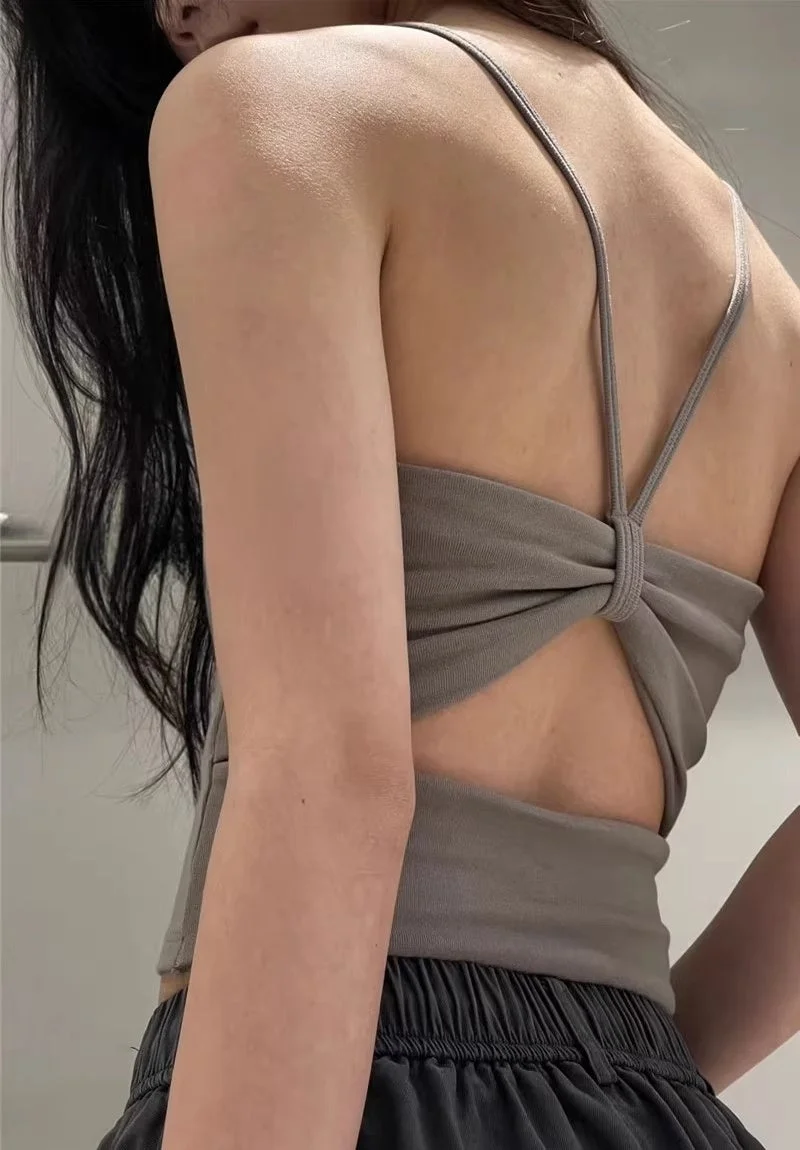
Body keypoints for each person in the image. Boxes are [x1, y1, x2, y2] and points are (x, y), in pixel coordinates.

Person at [1, 0, 798, 1146]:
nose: (173, 13)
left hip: (336, 1080)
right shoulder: (768, 301)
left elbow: (332, 778)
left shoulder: (277, 111)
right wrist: (643, 1081)